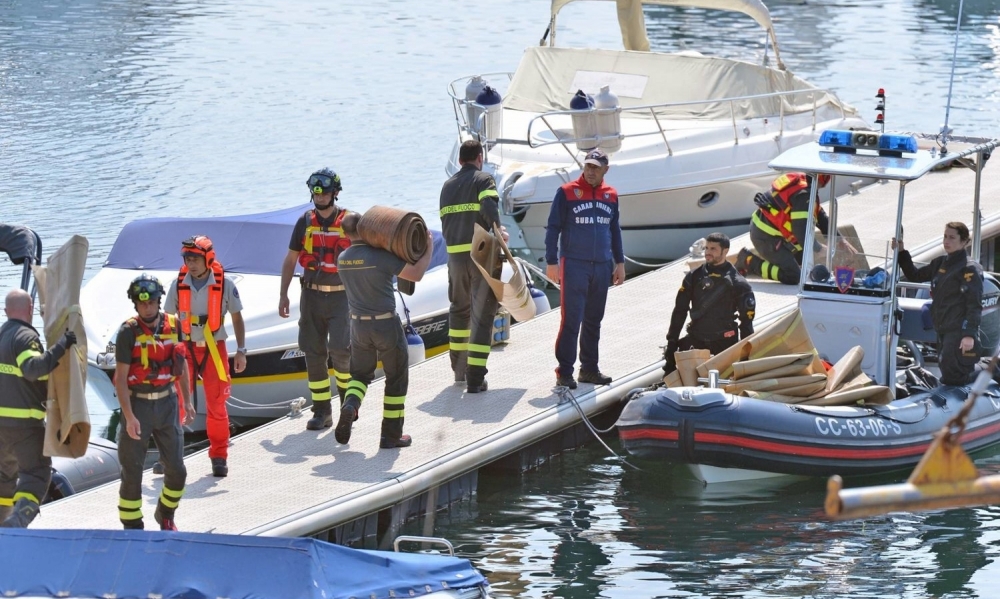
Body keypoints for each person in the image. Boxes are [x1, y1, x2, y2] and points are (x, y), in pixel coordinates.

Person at [334, 212, 433, 448]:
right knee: (396, 377)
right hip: (385, 324)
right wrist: (427, 247)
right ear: (367, 228)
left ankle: (351, 405)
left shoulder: (343, 259)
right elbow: (415, 274)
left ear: (345, 234)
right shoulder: (380, 256)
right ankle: (391, 436)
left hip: (358, 326)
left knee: (359, 376)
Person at [113, 274, 194, 530]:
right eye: (141, 303)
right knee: (132, 472)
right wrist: (129, 417)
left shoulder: (174, 325)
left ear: (159, 301)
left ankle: (166, 514)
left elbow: (182, 366)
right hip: (138, 406)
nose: (146, 307)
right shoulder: (127, 332)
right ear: (135, 304)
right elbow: (121, 379)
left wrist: (188, 402)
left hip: (167, 403)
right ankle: (132, 526)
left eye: (150, 302)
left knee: (177, 471)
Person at [163, 235, 246, 477]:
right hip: (185, 348)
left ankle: (219, 456)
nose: (191, 263)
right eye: (187, 258)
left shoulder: (226, 285)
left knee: (217, 405)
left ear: (208, 258)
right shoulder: (178, 284)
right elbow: (169, 319)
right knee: (177, 403)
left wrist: (241, 351)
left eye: (196, 258)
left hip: (214, 349)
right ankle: (171, 457)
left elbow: (237, 318)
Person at [544, 148, 626, 389]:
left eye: (596, 167)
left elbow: (614, 230)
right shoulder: (567, 193)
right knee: (571, 320)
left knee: (594, 320)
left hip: (602, 266)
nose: (590, 171)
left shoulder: (611, 195)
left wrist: (619, 262)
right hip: (574, 265)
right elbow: (552, 228)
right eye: (588, 166)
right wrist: (551, 262)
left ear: (605, 170)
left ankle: (589, 369)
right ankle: (565, 372)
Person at [279, 168, 353, 430]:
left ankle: (348, 407)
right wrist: (283, 294)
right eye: (316, 191)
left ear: (335, 192)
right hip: (311, 296)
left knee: (342, 352)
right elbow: (290, 260)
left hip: (341, 299)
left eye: (324, 191)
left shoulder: (350, 221)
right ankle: (322, 411)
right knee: (313, 352)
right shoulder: (304, 222)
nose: (319, 195)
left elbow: (367, 258)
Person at [0, 289, 76, 528]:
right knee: (37, 475)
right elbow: (33, 369)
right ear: (31, 309)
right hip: (25, 426)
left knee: (5, 477)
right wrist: (62, 346)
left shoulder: (2, 335)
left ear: (5, 311)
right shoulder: (24, 337)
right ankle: (17, 521)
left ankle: (3, 526)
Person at [439, 139, 503, 393]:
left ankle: (459, 373)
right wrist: (498, 230)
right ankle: (476, 378)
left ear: (459, 160)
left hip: (454, 258)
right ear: (479, 157)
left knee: (459, 312)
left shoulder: (446, 186)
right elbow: (489, 207)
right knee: (482, 314)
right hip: (479, 254)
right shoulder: (483, 179)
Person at [893, 222, 982, 386]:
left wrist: (969, 334)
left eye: (952, 237)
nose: (947, 241)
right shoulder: (939, 263)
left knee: (952, 369)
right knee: (945, 366)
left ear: (964, 242)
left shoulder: (970, 269)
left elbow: (974, 304)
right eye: (945, 236)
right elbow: (914, 275)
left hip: (958, 328)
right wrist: (901, 251)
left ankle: (987, 370)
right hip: (942, 326)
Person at [663, 232, 756, 375]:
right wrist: (672, 342)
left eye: (713, 249)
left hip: (724, 342)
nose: (708, 252)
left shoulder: (738, 283)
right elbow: (680, 311)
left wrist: (744, 356)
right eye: (706, 248)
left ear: (725, 251)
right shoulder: (693, 277)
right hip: (697, 338)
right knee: (672, 371)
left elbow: (746, 323)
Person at [736, 172, 852, 285]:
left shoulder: (805, 184)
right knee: (793, 276)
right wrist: (818, 248)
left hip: (771, 232)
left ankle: (781, 260)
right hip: (766, 236)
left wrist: (839, 239)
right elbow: (800, 230)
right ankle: (749, 262)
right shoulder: (804, 194)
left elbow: (820, 215)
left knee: (803, 260)